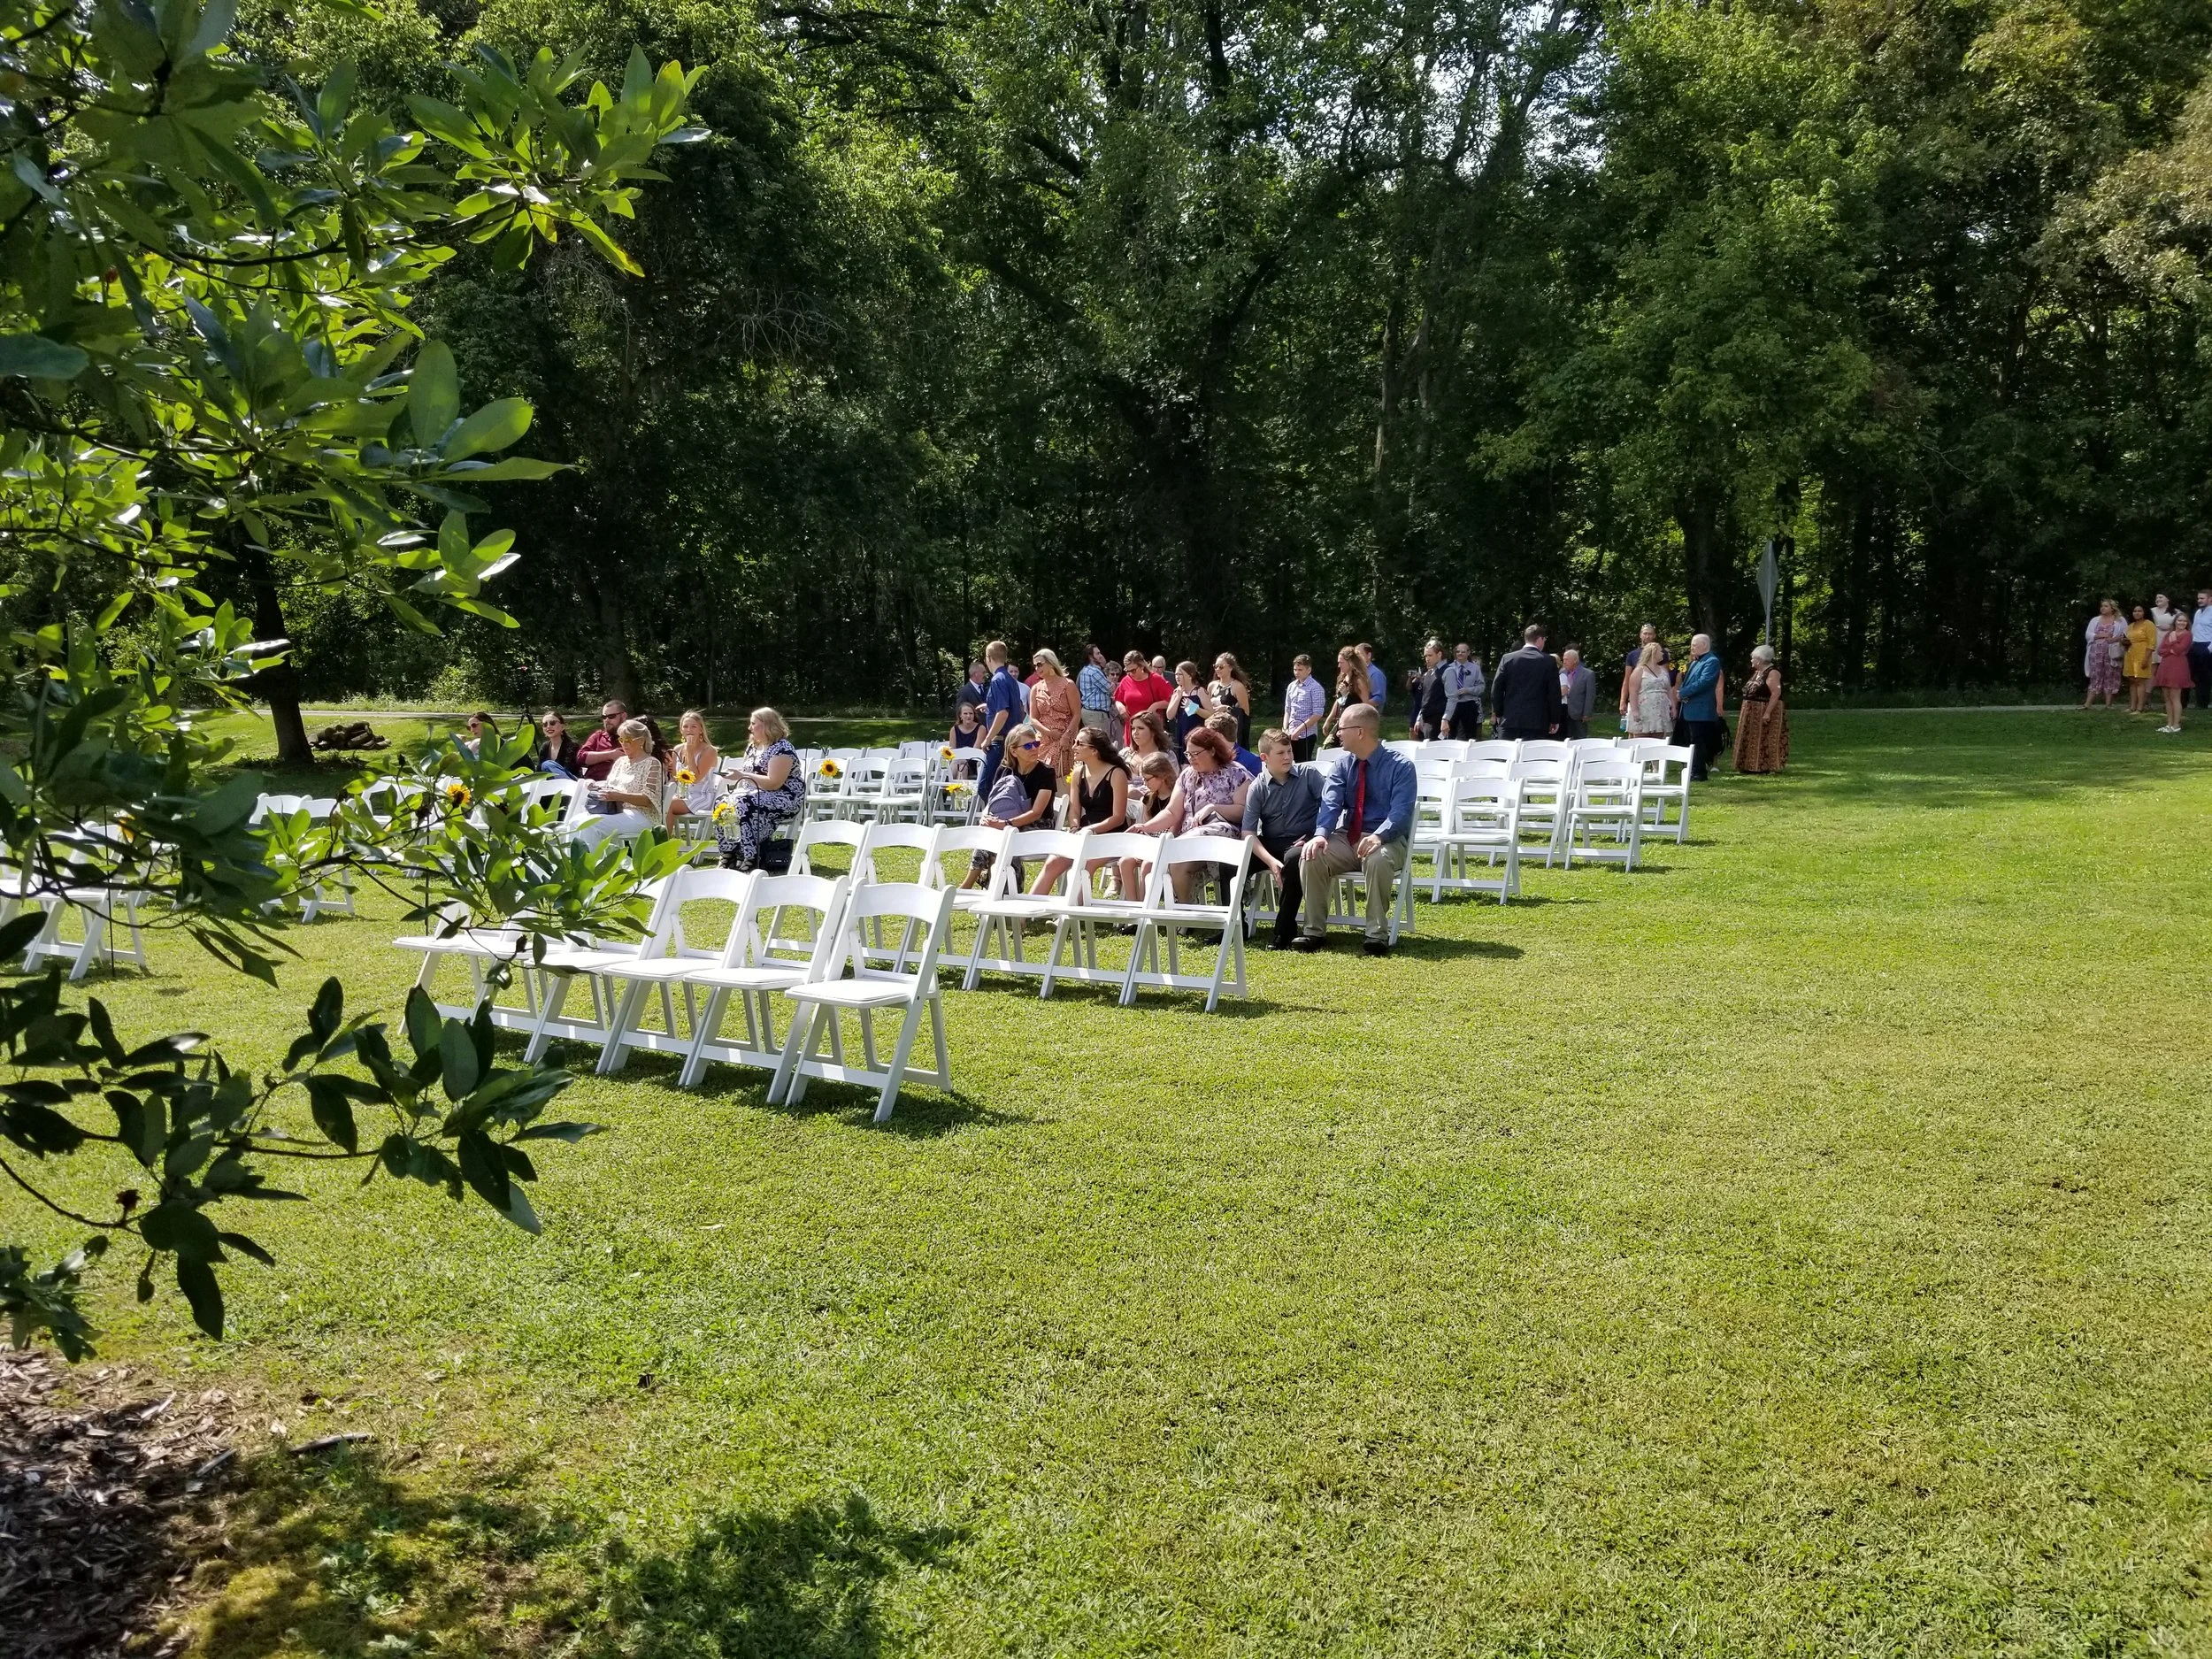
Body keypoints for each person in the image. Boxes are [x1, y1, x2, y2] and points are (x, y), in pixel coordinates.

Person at [1294, 704, 1415, 956]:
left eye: (1342, 727)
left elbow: (1401, 813)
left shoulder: (1401, 767)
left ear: (1360, 732)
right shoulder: (1341, 765)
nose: (1337, 732)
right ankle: (1313, 931)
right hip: (1348, 837)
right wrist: (1320, 835)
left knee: (1378, 859)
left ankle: (1376, 934)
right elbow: (1330, 803)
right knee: (1312, 855)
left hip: (1387, 839)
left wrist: (1379, 836)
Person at [1130, 726, 1253, 902]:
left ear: (1212, 750)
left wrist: (1214, 807)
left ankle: (1174, 849)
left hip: (1224, 836)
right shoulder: (1187, 775)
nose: (1191, 759)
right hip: (1188, 841)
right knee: (1177, 864)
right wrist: (1146, 827)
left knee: (1181, 847)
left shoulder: (1236, 773)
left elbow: (1242, 811)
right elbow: (1172, 812)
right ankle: (1185, 914)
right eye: (1188, 754)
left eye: (1196, 754)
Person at [1241, 728, 1322, 950]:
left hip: (1301, 842)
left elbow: (1330, 810)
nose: (1288, 757)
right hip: (1271, 842)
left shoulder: (1309, 775)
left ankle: (1284, 931)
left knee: (1296, 858)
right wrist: (1269, 861)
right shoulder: (1257, 787)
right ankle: (1236, 925)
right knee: (1233, 860)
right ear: (1264, 758)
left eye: (1289, 751)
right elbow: (1247, 832)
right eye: (1281, 753)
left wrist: (1315, 837)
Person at [1034, 726, 1130, 897]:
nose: (1073, 747)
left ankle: (1069, 919)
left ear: (1094, 750)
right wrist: (1074, 826)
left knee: (1085, 864)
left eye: (1079, 743)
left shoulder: (1117, 774)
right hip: (1084, 834)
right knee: (1053, 863)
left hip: (1112, 836)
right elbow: (1075, 810)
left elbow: (1118, 817)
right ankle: (1024, 917)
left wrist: (1092, 830)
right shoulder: (1078, 773)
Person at [961, 724, 1056, 892]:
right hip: (1007, 823)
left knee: (1002, 835)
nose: (1034, 748)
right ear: (1013, 751)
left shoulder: (1046, 773)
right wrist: (986, 817)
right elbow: (993, 802)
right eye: (1027, 746)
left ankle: (981, 887)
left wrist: (1006, 824)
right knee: (989, 832)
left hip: (1039, 826)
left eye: (1036, 744)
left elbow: (1037, 812)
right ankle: (996, 889)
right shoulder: (1004, 770)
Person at [714, 707, 806, 871]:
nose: (749, 728)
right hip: (755, 794)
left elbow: (774, 783)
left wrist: (741, 775)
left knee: (744, 802)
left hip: (784, 797)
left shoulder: (782, 748)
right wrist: (737, 779)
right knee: (722, 802)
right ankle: (729, 853)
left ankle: (751, 855)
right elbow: (747, 777)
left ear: (767, 725)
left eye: (753, 724)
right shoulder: (753, 747)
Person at [574, 718, 666, 848]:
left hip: (642, 815)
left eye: (628, 740)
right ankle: (571, 865)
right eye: (621, 740)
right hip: (615, 811)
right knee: (574, 822)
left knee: (590, 824)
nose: (623, 744)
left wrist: (619, 796)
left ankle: (591, 865)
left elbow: (648, 800)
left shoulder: (652, 764)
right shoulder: (620, 762)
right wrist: (595, 785)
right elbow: (611, 786)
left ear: (641, 740)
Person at [1491, 625, 1563, 741]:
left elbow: (1497, 689)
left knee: (1507, 757)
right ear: (1540, 639)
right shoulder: (1548, 661)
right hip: (1537, 721)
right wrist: (1554, 719)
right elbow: (1554, 693)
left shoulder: (1508, 658)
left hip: (1510, 719)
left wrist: (1498, 713)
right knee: (1532, 757)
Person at [976, 640, 1028, 797]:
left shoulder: (997, 679)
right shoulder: (1011, 680)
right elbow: (1014, 708)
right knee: (1007, 787)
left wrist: (987, 739)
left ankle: (993, 819)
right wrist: (990, 707)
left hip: (1000, 742)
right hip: (1012, 740)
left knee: (986, 787)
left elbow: (1003, 713)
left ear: (988, 658)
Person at [1677, 634, 1726, 780]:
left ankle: (1698, 772)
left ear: (1704, 645)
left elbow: (1704, 682)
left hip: (1701, 710)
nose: (1691, 648)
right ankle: (1692, 769)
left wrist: (1683, 692)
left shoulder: (1711, 661)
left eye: (1694, 645)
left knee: (1698, 741)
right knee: (1690, 740)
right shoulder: (1695, 662)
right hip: (1688, 709)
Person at [664, 710, 722, 832]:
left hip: (702, 795)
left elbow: (695, 778)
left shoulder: (709, 751)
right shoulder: (678, 749)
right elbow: (675, 778)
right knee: (659, 802)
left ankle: (664, 844)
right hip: (681, 794)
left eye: (693, 727)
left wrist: (689, 751)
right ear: (681, 730)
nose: (689, 730)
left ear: (700, 730)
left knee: (668, 805)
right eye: (685, 726)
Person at [1732, 645, 1788, 772]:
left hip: (1764, 709)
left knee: (1763, 738)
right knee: (1750, 737)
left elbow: (1776, 693)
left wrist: (1767, 712)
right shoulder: (1757, 673)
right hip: (1751, 711)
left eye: (1753, 658)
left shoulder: (1772, 673)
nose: (1751, 661)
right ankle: (1747, 766)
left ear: (1759, 659)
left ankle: (1764, 767)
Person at [1027, 648, 1082, 775]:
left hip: (1064, 737)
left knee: (1056, 773)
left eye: (1040, 664)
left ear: (1051, 663)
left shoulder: (1068, 685)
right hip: (1044, 738)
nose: (1037, 668)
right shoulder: (1036, 689)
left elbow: (1077, 714)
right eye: (1035, 665)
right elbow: (1033, 718)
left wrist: (1066, 736)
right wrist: (1049, 732)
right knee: (1041, 774)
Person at [1113, 650, 1172, 743]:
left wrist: (1156, 705)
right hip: (1131, 729)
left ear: (1141, 666)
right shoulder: (1126, 680)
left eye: (1133, 670)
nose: (1130, 674)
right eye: (1127, 670)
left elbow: (1172, 700)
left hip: (1150, 729)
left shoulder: (1155, 679)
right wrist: (1120, 707)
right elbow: (1117, 699)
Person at [1320, 646, 1371, 746]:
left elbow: (1366, 706)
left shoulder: (1359, 681)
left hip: (1354, 723)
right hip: (1342, 721)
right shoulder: (1342, 678)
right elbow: (1339, 701)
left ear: (1350, 663)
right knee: (1328, 747)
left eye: (1341, 662)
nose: (1339, 666)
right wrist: (1328, 720)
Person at [1624, 642, 1675, 737]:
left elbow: (1669, 689)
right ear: (1653, 653)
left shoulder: (1663, 670)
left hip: (1660, 712)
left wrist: (1673, 707)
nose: (1663, 653)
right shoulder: (1639, 670)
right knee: (1642, 739)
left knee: (1659, 739)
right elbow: (1633, 692)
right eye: (1660, 651)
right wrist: (1635, 711)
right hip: (1644, 711)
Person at [2154, 609, 2194, 732]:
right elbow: (2161, 650)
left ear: (2187, 623)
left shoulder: (2187, 635)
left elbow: (2179, 650)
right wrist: (2171, 648)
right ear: (2175, 622)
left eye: (2184, 621)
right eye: (2179, 620)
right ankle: (2169, 724)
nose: (2182, 623)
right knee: (2166, 697)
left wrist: (2172, 642)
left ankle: (2176, 725)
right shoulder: (2169, 633)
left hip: (2178, 666)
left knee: (2175, 696)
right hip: (2166, 665)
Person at [1282, 654, 1326, 761]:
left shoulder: (1316, 688)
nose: (1297, 672)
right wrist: (1285, 728)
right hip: (1290, 733)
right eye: (1295, 669)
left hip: (1307, 734)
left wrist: (1299, 730)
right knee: (1289, 762)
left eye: (1300, 670)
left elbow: (1317, 714)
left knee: (1303, 764)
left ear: (1309, 670)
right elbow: (1287, 709)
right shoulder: (1292, 686)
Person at [2083, 600, 2126, 709]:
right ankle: (2088, 704)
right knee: (2095, 675)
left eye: (2106, 606)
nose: (2103, 608)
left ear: (2112, 608)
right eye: (2102, 606)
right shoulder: (2095, 620)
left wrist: (2116, 638)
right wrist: (2099, 635)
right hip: (2096, 652)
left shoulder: (2120, 621)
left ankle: (2108, 705)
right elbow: (2088, 635)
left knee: (2111, 675)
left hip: (2112, 653)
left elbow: (2126, 635)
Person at [1165, 661, 1213, 757]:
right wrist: (1178, 698)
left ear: (1190, 675)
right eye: (1176, 674)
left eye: (1180, 674)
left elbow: (1211, 714)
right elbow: (1169, 716)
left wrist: (1195, 709)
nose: (1177, 677)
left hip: (1197, 733)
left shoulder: (1199, 691)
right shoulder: (1177, 692)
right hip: (1181, 732)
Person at [576, 700, 629, 781]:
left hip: (617, 785)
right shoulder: (598, 737)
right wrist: (611, 755)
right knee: (550, 765)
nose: (607, 720)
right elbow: (581, 758)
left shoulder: (632, 738)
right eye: (604, 717)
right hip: (589, 783)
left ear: (624, 716)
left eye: (611, 716)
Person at [1209, 654, 1254, 747]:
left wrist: (1227, 709)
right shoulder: (1212, 686)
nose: (1217, 669)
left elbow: (1246, 713)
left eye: (1221, 667)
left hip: (1231, 731)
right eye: (1215, 666)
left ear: (1230, 668)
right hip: (1214, 728)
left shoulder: (1238, 686)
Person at [1443, 644, 1485, 739]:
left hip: (1468, 705)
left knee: (1468, 736)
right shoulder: (1449, 668)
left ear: (1468, 653)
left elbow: (1481, 687)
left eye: (1463, 651)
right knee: (1450, 735)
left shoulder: (1475, 668)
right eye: (1458, 651)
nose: (1460, 654)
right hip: (1453, 705)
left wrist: (1468, 690)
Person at [2124, 604, 2159, 714]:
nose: (2137, 613)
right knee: (2132, 681)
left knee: (2140, 681)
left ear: (2144, 613)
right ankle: (2132, 707)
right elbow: (2127, 639)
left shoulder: (2149, 624)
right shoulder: (2130, 626)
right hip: (2130, 654)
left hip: (2142, 653)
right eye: (2135, 611)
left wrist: (2146, 658)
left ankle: (2140, 708)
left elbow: (2152, 643)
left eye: (2140, 611)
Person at [1205, 709, 1262, 776]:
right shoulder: (1208, 757)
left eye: (1208, 734)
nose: (1205, 738)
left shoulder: (1252, 761)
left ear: (1218, 736)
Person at [1411, 639, 1448, 740]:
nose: (1427, 659)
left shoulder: (1448, 672)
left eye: (1430, 655)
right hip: (1426, 721)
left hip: (1439, 721)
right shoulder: (1428, 673)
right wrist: (1419, 719)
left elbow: (1453, 698)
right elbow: (1425, 698)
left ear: (1439, 654)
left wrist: (1445, 720)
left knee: (1437, 754)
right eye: (1426, 656)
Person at [1077, 645, 1117, 733]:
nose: (1101, 655)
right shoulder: (1094, 671)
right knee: (1100, 744)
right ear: (1091, 656)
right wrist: (1113, 684)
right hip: (1097, 715)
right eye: (1098, 653)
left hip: (1090, 713)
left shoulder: (1085, 670)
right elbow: (1110, 689)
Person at [1559, 648, 1597, 739]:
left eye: (1566, 660)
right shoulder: (1562, 673)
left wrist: (1587, 713)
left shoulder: (1588, 674)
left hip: (1579, 714)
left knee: (1580, 738)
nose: (1564, 662)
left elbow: (1590, 695)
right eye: (1563, 659)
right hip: (1563, 712)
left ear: (1575, 660)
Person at [534, 711, 583, 778]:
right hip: (551, 784)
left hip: (572, 783)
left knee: (547, 765)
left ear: (562, 727)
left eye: (552, 723)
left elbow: (570, 771)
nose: (548, 727)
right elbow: (539, 772)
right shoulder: (545, 747)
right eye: (545, 724)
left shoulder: (572, 746)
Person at [2193, 590, 2212, 711]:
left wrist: (2209, 649)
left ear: (2210, 599)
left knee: (2206, 676)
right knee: (2197, 676)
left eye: (2202, 598)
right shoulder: (2198, 612)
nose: (2199, 600)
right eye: (2198, 598)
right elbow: (2194, 628)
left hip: (2207, 646)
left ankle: (2203, 704)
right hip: (2196, 645)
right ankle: (2199, 702)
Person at [956, 659, 990, 725]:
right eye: (983, 672)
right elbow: (959, 713)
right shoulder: (964, 692)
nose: (985, 675)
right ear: (976, 674)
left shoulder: (987, 689)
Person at [1358, 642, 1386, 709]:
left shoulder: (1376, 674)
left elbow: (1378, 698)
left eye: (1360, 655)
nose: (1357, 659)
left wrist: (1359, 707)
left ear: (1369, 655)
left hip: (1368, 715)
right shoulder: (1357, 672)